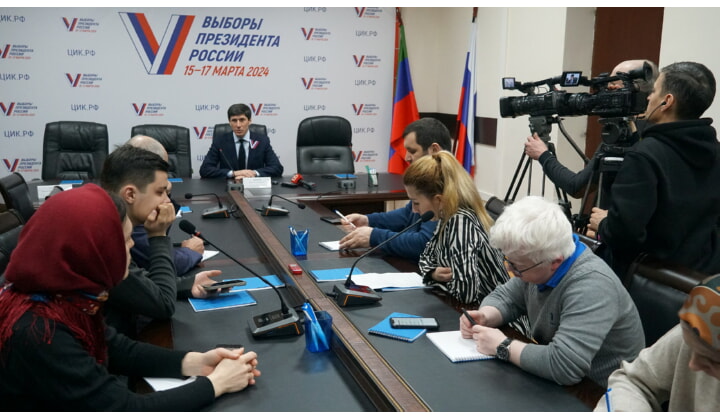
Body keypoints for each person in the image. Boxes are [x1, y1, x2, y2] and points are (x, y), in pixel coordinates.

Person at [0, 184, 260, 410]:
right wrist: (216, 384)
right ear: (91, 252)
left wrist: (196, 362)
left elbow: (117, 348)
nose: (132, 245)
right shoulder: (40, 330)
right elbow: (123, 409)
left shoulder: (65, 296)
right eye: (124, 241)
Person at [460, 196, 644, 387]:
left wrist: (503, 345)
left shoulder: (592, 286)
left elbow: (564, 366)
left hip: (600, 391)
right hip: (562, 382)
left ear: (554, 262)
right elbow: (506, 297)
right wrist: (485, 315)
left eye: (517, 267)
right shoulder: (539, 261)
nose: (511, 271)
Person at [588, 61, 720, 278]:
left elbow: (625, 234)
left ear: (667, 101)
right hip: (699, 280)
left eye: (654, 91)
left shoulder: (645, 155)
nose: (649, 97)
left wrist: (603, 224)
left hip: (650, 280)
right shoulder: (715, 151)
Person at [100, 144, 222, 337]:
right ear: (130, 194)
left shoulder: (106, 220)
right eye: (160, 192)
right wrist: (158, 236)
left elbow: (138, 283)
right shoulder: (105, 239)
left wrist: (185, 284)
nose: (167, 201)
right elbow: (163, 305)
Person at [405, 151, 530, 335]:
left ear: (438, 200)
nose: (414, 210)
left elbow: (466, 293)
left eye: (416, 202)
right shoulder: (446, 217)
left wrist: (434, 279)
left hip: (504, 324)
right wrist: (433, 273)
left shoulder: (461, 222)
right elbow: (424, 258)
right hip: (474, 315)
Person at [524, 59, 658, 209]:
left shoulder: (621, 134)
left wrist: (543, 155)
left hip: (611, 222)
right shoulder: (660, 131)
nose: (607, 89)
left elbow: (576, 187)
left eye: (613, 84)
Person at [594, 274, 720, 411]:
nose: (693, 364)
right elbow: (635, 382)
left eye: (713, 360)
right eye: (691, 348)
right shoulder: (696, 331)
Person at [338, 118, 452, 261]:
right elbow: (407, 215)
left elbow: (425, 244)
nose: (406, 157)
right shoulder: (430, 181)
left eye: (412, 151)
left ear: (434, 150)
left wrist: (374, 236)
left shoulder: (446, 187)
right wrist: (368, 220)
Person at [126, 135, 204, 276]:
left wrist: (162, 190)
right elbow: (166, 263)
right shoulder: (125, 217)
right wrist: (189, 252)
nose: (167, 201)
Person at [199, 103, 283, 180]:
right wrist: (234, 173)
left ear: (249, 121)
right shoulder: (220, 141)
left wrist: (254, 173)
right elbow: (205, 170)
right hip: (228, 186)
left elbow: (277, 168)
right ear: (229, 122)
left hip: (255, 185)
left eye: (242, 120)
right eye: (234, 120)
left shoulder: (262, 141)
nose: (238, 125)